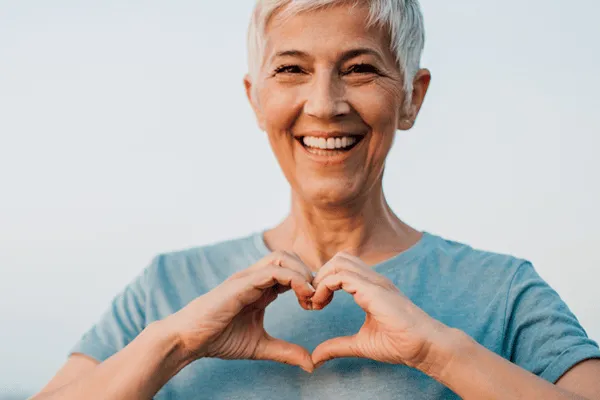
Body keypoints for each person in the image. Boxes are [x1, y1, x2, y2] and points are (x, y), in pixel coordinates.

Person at [32, 0, 600, 399]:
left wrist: (439, 353)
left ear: (412, 98)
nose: (324, 104)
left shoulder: (503, 293)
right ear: (256, 99)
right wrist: (174, 344)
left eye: (359, 69)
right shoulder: (164, 290)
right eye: (291, 69)